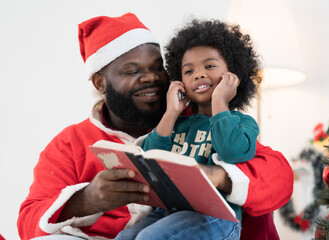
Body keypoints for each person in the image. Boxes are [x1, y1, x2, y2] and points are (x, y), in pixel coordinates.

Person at [17, 13, 293, 240]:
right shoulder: (71, 143)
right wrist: (88, 199)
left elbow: (278, 177)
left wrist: (218, 176)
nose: (150, 77)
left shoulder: (198, 118)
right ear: (101, 83)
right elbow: (28, 223)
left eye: (157, 67)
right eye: (132, 71)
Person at [115, 18, 260, 240]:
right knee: (124, 238)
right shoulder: (179, 123)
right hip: (170, 211)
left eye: (209, 66)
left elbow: (230, 151)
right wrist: (171, 113)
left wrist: (220, 100)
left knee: (149, 238)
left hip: (217, 218)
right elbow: (149, 157)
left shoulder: (243, 123)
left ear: (234, 74)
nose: (198, 74)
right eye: (189, 71)